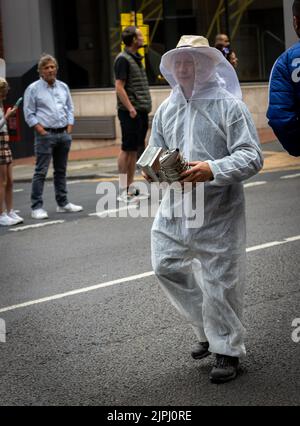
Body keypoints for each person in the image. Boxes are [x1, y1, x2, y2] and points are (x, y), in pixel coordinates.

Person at [144, 36, 263, 383]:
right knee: (164, 264)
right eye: (180, 63)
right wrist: (151, 168)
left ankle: (227, 351)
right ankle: (208, 328)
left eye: (192, 62)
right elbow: (156, 150)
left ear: (209, 66)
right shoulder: (167, 108)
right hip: (178, 205)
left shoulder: (229, 106)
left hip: (218, 209)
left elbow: (251, 156)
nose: (184, 68)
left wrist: (212, 169)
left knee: (220, 281)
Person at [24, 54, 83, 220]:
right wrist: (41, 130)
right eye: (46, 67)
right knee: (41, 171)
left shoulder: (63, 87)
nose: (50, 70)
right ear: (40, 71)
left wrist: (69, 127)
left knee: (61, 171)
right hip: (45, 135)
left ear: (56, 68)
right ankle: (36, 207)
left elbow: (70, 108)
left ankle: (63, 203)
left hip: (63, 134)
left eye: (52, 67)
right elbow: (29, 113)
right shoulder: (33, 89)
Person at [114, 26, 152, 203]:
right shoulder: (123, 59)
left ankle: (129, 187)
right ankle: (123, 189)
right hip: (130, 112)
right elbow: (119, 86)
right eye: (140, 35)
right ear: (133, 39)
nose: (143, 37)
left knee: (135, 149)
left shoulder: (135, 58)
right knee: (127, 149)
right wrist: (130, 108)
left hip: (140, 111)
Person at [267, 0, 300, 157]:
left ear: (296, 21)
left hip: (192, 177)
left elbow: (279, 117)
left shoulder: (286, 62)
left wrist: (297, 146)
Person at [0, 78, 24, 226]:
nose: (4, 95)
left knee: (10, 181)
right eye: (2, 92)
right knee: (1, 182)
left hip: (5, 142)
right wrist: (7, 117)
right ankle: (1, 214)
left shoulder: (1, 104)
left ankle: (10, 211)